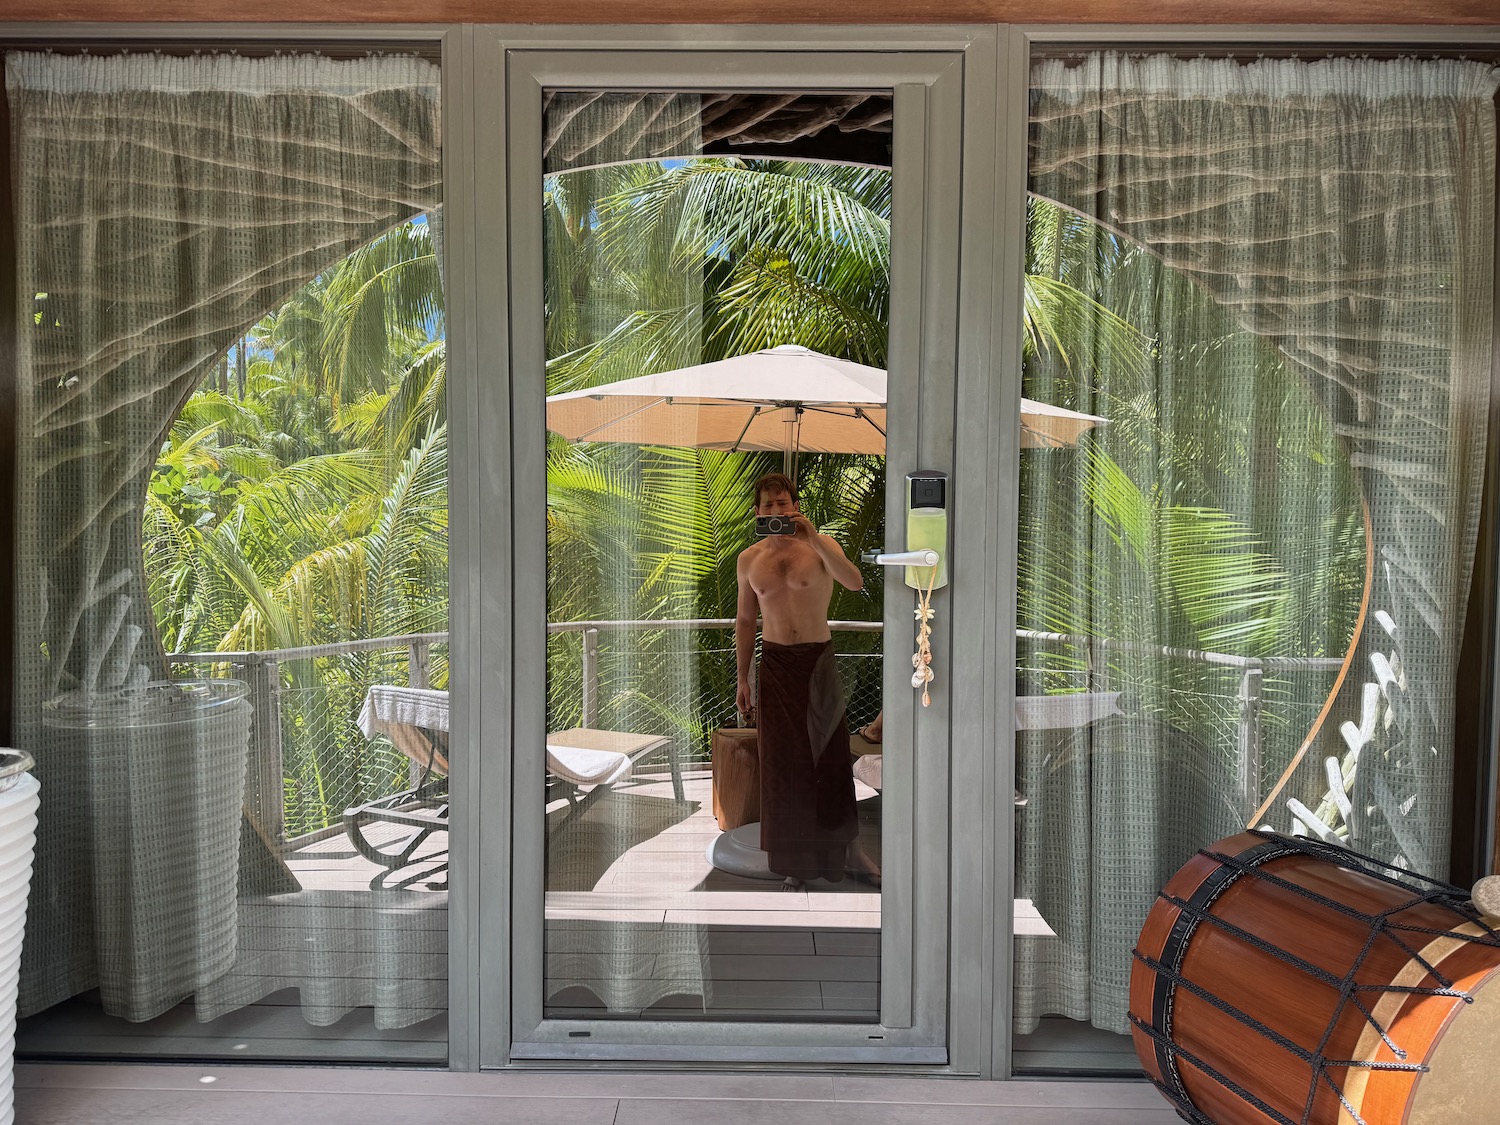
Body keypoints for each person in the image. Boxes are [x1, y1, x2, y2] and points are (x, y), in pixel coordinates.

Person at [735, 471, 881, 891]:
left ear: (794, 505)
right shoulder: (750, 559)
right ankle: (795, 862)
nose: (777, 512)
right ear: (757, 511)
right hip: (775, 664)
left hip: (817, 661)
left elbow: (854, 581)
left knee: (831, 759)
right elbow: (746, 620)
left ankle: (851, 851)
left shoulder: (819, 547)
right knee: (783, 766)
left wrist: (814, 537)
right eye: (768, 505)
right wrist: (742, 678)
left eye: (784, 504)